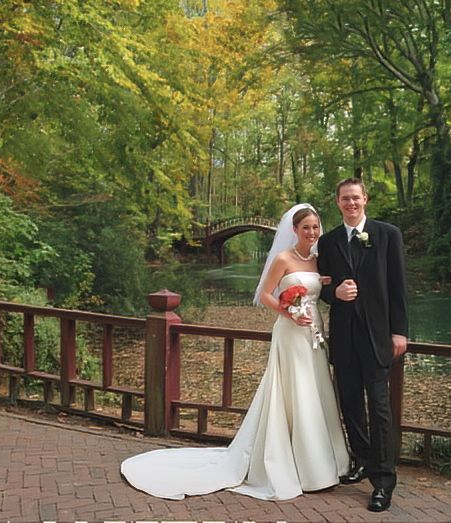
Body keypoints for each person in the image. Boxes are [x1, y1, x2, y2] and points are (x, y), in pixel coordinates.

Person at [121, 203, 349, 501]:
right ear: (294, 230)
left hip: (314, 334)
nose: (312, 232)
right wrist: (289, 311)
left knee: (316, 389)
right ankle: (296, 464)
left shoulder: (320, 261)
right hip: (290, 332)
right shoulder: (283, 258)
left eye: (315, 227)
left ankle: (323, 463)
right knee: (295, 391)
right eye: (306, 227)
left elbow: (325, 290)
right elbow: (265, 294)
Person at [317, 178, 408, 512]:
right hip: (344, 337)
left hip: (378, 337)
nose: (351, 203)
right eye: (345, 199)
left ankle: (383, 481)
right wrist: (334, 293)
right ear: (337, 202)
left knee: (380, 408)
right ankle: (362, 459)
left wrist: (400, 332)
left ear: (365, 200)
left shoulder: (387, 235)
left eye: (356, 198)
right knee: (350, 403)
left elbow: (399, 287)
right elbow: (320, 287)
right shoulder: (327, 242)